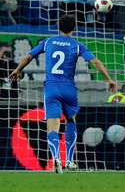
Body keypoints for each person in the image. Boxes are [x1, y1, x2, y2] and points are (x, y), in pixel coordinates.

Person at [9, 15, 117, 173]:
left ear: (58, 27)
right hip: (68, 88)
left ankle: (56, 158)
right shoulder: (77, 45)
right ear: (74, 29)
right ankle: (70, 161)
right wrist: (109, 79)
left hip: (51, 88)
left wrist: (18, 70)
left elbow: (28, 57)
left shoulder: (47, 42)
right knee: (71, 122)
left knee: (52, 127)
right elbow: (95, 62)